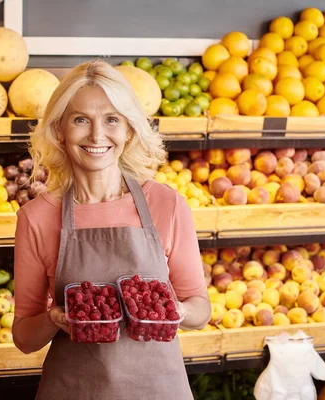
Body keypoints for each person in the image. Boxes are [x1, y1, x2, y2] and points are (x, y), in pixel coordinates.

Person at [12, 59, 210, 400]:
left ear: (129, 129)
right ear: (59, 130)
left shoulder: (167, 204)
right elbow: (24, 338)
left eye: (112, 119)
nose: (97, 135)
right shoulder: (36, 217)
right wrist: (54, 318)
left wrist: (180, 311)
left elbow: (200, 309)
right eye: (80, 120)